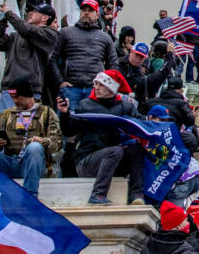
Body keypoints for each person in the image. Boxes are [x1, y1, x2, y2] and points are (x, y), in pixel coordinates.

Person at [57, 71, 144, 206]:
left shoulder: (126, 107)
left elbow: (141, 126)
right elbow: (69, 131)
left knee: (135, 148)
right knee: (115, 151)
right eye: (95, 84)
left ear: (111, 88)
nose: (95, 88)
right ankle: (98, 194)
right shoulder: (85, 105)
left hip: (114, 161)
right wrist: (64, 114)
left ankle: (136, 195)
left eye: (100, 85)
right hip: (87, 161)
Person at [0, 83, 61, 197]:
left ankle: (29, 196)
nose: (15, 101)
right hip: (10, 161)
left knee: (34, 147)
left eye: (18, 97)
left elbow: (57, 143)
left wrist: (42, 141)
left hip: (34, 163)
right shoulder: (6, 115)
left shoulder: (47, 113)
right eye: (12, 97)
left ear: (28, 96)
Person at [0, 1, 59, 109]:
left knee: (25, 125)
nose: (30, 13)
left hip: (29, 89)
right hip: (9, 88)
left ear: (45, 17)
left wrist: (9, 13)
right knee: (7, 125)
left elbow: (27, 30)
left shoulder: (50, 35)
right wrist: (1, 22)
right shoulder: (17, 35)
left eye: (35, 12)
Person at [55, 0, 117, 112]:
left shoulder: (105, 37)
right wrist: (60, 82)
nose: (86, 13)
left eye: (90, 10)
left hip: (94, 91)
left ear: (97, 14)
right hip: (70, 89)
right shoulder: (65, 32)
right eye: (83, 10)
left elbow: (113, 65)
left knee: (91, 127)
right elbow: (53, 60)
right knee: (65, 126)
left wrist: (105, 87)